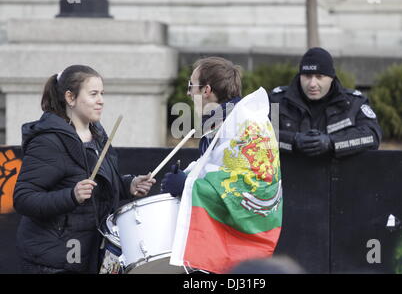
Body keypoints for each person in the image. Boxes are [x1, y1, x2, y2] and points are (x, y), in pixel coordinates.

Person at [13, 65, 156, 274]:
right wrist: (71, 195)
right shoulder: (49, 141)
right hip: (52, 263)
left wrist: (128, 185)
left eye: (102, 94)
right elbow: (23, 198)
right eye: (93, 94)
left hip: (88, 255)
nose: (101, 100)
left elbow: (98, 187)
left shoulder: (96, 133)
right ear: (70, 98)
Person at [269, 47, 382, 158]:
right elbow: (261, 136)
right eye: (307, 76)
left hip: (338, 174)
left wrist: (332, 143)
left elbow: (372, 135)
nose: (312, 84)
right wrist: (293, 141)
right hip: (290, 175)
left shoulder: (354, 103)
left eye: (319, 77)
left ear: (331, 77)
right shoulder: (277, 102)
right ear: (300, 76)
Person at [160, 56, 242, 197]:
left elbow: (236, 188)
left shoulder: (237, 127)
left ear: (206, 91)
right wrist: (189, 174)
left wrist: (186, 185)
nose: (188, 93)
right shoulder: (225, 121)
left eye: (191, 86)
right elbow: (215, 168)